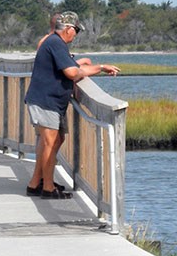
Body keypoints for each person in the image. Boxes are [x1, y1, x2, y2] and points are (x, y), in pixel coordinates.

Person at [25, 11, 119, 199]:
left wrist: (99, 67)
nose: (76, 34)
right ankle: (47, 188)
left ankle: (36, 183)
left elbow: (75, 68)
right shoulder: (55, 43)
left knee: (56, 140)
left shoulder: (55, 43)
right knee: (50, 143)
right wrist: (95, 69)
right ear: (68, 29)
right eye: (76, 30)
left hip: (51, 101)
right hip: (46, 101)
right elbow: (71, 72)